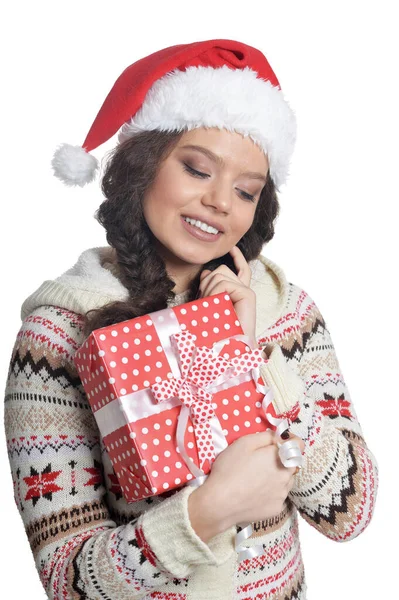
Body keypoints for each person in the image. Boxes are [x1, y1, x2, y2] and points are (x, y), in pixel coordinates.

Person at [3, 38, 378, 600]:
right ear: (143, 165)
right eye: (198, 169)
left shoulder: (286, 311)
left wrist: (249, 361)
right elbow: (68, 581)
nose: (221, 202)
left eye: (246, 190)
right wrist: (205, 513)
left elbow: (351, 510)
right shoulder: (58, 335)